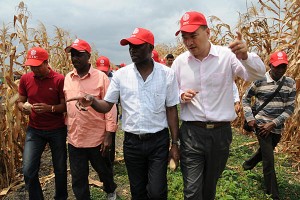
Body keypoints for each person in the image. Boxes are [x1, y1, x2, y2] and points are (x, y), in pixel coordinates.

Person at [66, 28, 180, 200]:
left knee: (157, 191)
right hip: (133, 143)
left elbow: (171, 109)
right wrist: (93, 101)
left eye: (137, 46)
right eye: (130, 46)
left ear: (150, 48)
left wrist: (174, 143)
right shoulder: (121, 75)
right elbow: (107, 105)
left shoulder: (167, 74)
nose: (132, 50)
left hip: (158, 141)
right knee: (137, 190)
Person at [172, 11, 266, 200]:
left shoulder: (227, 57)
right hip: (192, 132)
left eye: (193, 36)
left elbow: (257, 76)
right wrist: (180, 95)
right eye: (185, 37)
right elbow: (170, 93)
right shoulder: (180, 62)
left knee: (209, 187)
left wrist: (246, 56)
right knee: (191, 190)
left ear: (208, 33)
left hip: (220, 134)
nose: (189, 42)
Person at [63, 39, 117, 200]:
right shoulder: (68, 78)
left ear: (88, 56)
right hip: (75, 138)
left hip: (97, 138)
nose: (75, 58)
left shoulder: (101, 78)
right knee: (78, 178)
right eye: (73, 55)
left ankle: (110, 190)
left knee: (104, 171)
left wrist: (109, 134)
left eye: (79, 54)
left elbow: (110, 107)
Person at [242, 51, 296, 199]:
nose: (280, 70)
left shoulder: (290, 83)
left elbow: (290, 108)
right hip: (261, 126)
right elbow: (246, 98)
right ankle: (273, 194)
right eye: (277, 66)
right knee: (269, 160)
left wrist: (274, 123)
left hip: (276, 128)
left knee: (265, 152)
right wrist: (249, 118)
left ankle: (248, 164)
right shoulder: (259, 80)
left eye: (283, 66)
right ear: (270, 65)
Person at [17, 47, 68, 200]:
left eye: (38, 66)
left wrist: (49, 108)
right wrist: (23, 108)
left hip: (57, 129)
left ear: (46, 63)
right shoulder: (26, 79)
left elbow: (65, 107)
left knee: (60, 168)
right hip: (35, 130)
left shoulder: (59, 79)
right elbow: (20, 101)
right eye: (31, 66)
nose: (35, 69)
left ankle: (61, 197)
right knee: (28, 170)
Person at [96, 55, 117, 165]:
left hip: (112, 106)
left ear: (109, 68)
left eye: (105, 70)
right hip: (98, 108)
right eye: (100, 70)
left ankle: (110, 158)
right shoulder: (95, 78)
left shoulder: (114, 78)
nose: (103, 73)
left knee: (110, 132)